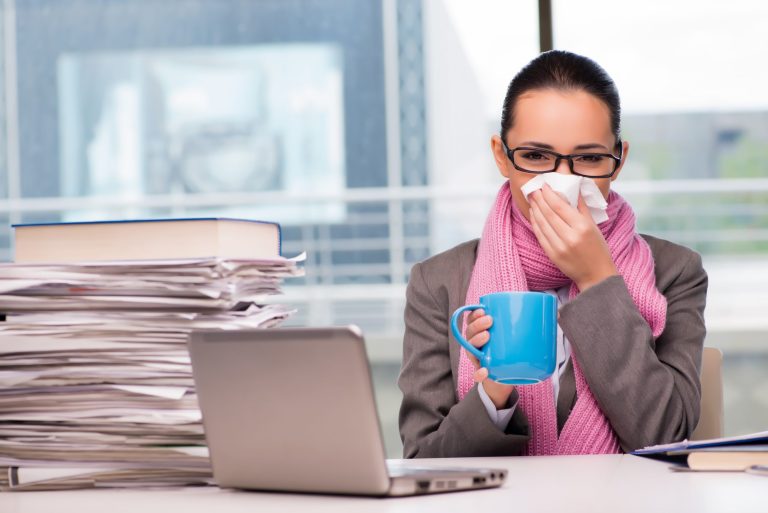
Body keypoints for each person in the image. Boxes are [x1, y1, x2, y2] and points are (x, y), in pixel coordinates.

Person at [397, 50, 708, 458]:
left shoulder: (674, 271)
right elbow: (423, 461)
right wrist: (493, 391)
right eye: (536, 156)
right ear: (501, 156)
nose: (563, 182)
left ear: (618, 161)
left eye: (590, 158)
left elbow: (666, 437)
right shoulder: (439, 282)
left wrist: (598, 279)